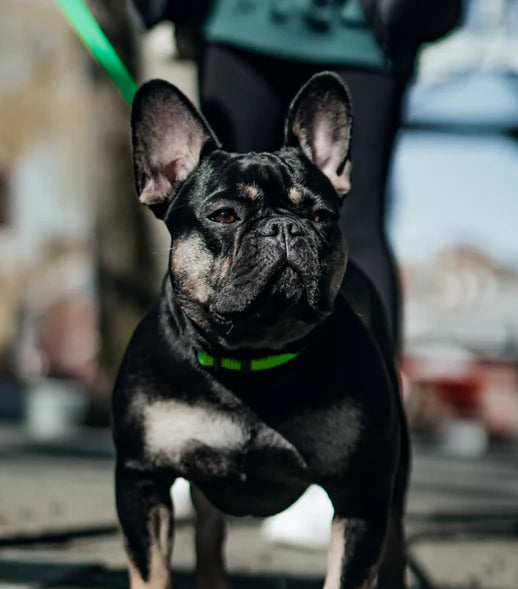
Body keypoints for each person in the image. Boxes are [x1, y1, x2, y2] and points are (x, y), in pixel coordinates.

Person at [131, 0, 462, 352]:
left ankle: (372, 391)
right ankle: (194, 373)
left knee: (233, 203)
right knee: (351, 226)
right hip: (330, 26)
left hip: (270, 20)